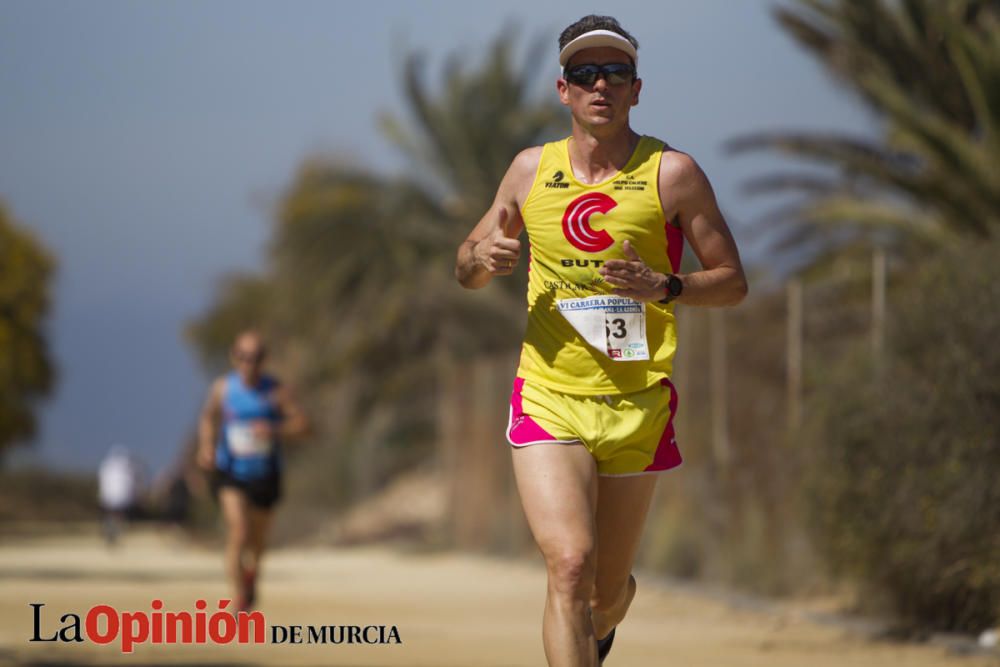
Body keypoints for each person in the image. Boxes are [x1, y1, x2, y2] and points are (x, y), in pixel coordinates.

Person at [455, 15, 747, 666]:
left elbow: (732, 282)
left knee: (602, 594)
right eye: (585, 74)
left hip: (637, 403)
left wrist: (666, 286)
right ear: (563, 90)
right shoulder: (530, 170)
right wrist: (486, 258)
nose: (600, 85)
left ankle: (611, 609)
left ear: (636, 89)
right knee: (568, 565)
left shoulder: (673, 174)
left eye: (614, 73)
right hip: (549, 396)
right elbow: (466, 262)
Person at [196, 330, 308, 612]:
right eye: (243, 356)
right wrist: (207, 446)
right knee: (239, 531)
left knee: (257, 542)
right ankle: (238, 596)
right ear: (234, 357)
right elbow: (208, 417)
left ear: (264, 359)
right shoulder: (223, 388)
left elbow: (304, 426)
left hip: (265, 473)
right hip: (231, 471)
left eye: (255, 358)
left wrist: (274, 429)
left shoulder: (275, 391)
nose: (249, 363)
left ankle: (251, 576)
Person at [98, 445, 145, 547]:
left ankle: (111, 530)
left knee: (112, 515)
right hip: (124, 499)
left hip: (107, 498)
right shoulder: (129, 467)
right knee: (119, 515)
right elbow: (135, 483)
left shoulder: (105, 465)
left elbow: (103, 483)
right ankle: (114, 531)